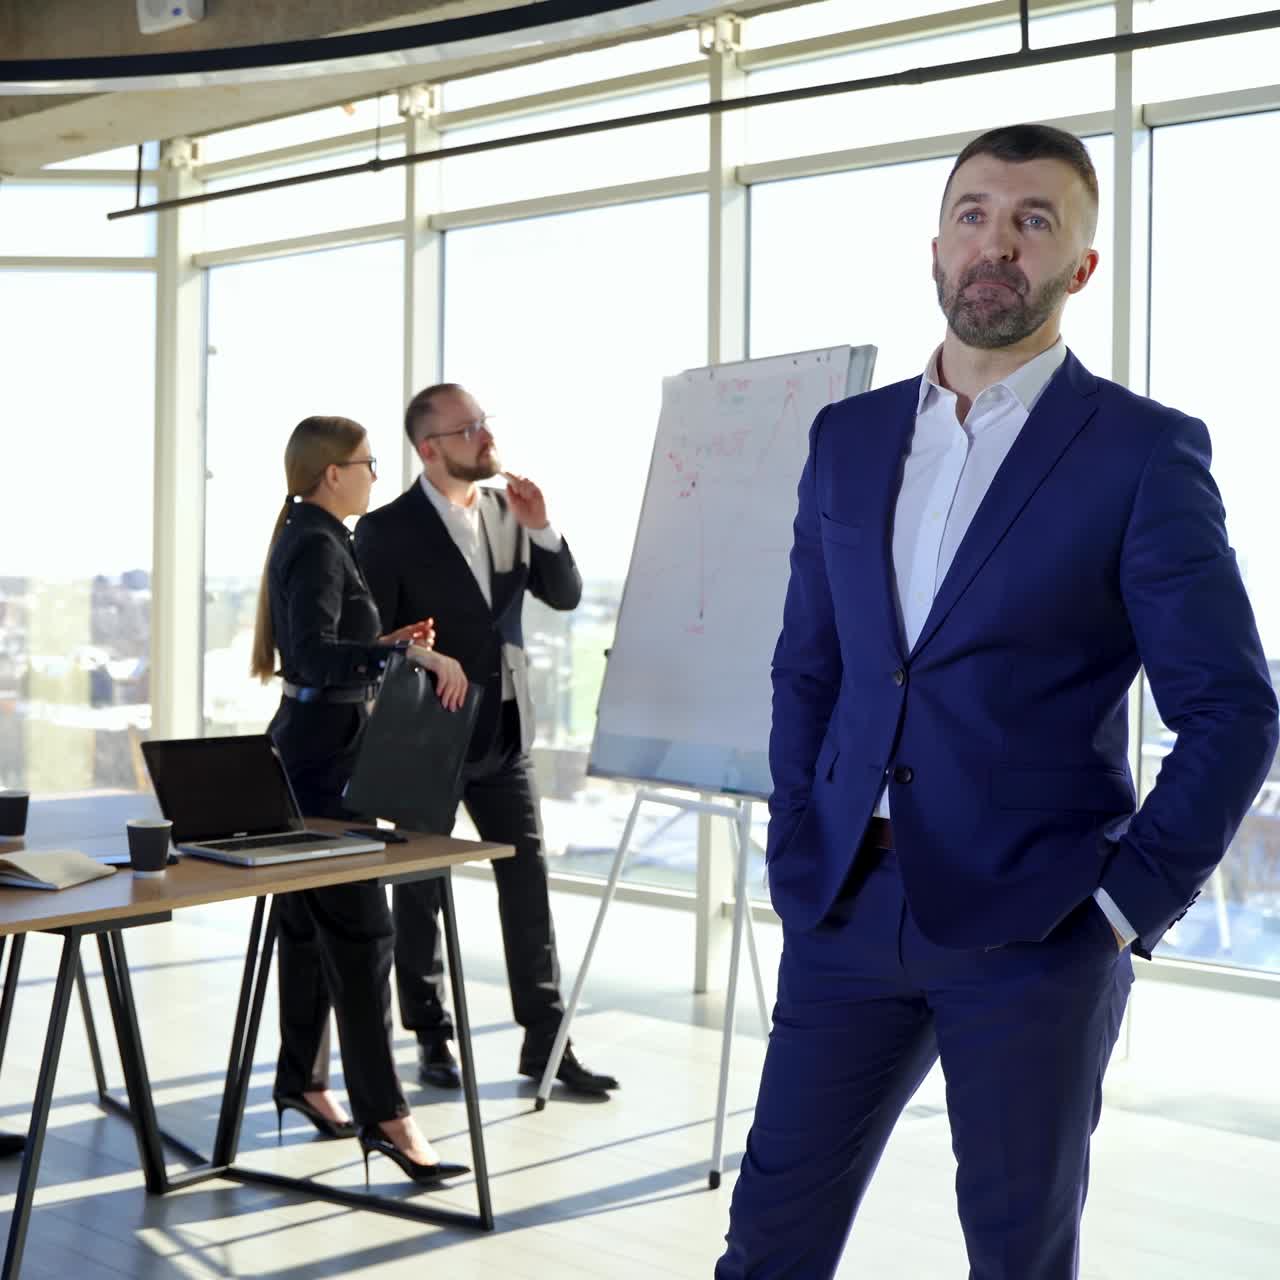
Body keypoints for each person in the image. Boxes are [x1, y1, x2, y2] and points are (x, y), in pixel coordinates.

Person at [717, 124, 1279, 1279]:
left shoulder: (1140, 451)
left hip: (1039, 927)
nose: (996, 242)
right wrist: (796, 835)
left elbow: (1230, 706)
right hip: (845, 908)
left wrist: (1119, 911)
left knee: (1015, 1257)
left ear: (1077, 266)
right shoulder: (847, 436)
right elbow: (807, 665)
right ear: (933, 245)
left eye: (1033, 221)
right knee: (767, 1245)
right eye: (973, 213)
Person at [354, 384, 620, 1098]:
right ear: (429, 448)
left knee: (526, 883)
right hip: (425, 737)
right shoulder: (385, 531)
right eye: (466, 427)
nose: (483, 435)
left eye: (483, 422)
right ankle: (430, 1032)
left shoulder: (510, 512)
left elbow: (563, 595)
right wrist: (424, 659)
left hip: (504, 730)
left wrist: (543, 529)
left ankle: (546, 1041)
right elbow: (370, 640)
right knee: (420, 889)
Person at [251, 414, 471, 1184]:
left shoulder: (318, 536)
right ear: (330, 472)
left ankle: (303, 1081)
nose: (376, 474)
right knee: (364, 933)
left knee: (313, 932)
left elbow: (324, 649)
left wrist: (380, 647)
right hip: (320, 763)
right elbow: (308, 653)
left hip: (315, 749)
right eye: (367, 462)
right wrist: (407, 652)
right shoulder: (315, 540)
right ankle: (384, 1115)